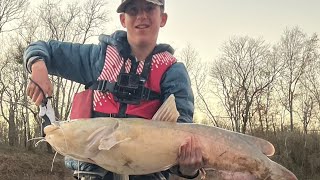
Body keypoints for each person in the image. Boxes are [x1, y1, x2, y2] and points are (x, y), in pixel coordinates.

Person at [23, 0, 204, 179]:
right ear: (123, 20)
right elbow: (42, 47)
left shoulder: (173, 72)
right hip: (91, 174)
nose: (142, 16)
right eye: (133, 10)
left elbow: (182, 135)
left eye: (149, 8)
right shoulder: (98, 59)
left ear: (163, 18)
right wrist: (38, 66)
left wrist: (188, 170)